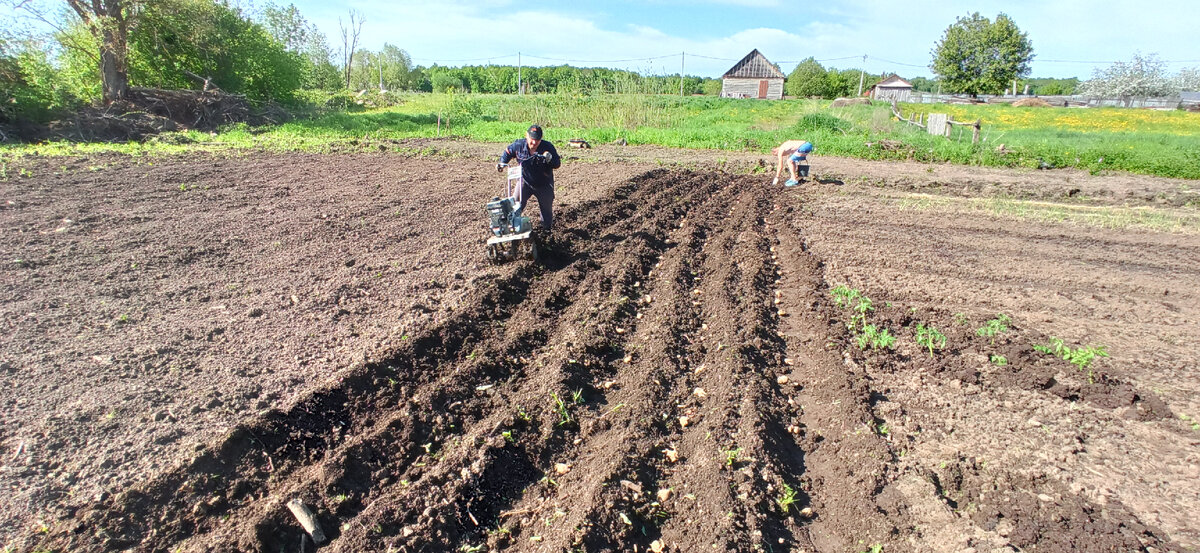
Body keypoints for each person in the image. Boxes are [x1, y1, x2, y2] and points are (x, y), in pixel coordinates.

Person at [497, 124, 561, 231]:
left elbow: (557, 164)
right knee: (515, 204)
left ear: (541, 139)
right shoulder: (519, 145)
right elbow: (508, 152)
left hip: (544, 183)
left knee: (546, 210)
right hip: (525, 181)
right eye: (532, 139)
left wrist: (550, 159)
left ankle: (546, 231)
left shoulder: (548, 147)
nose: (534, 142)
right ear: (526, 135)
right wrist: (502, 163)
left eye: (537, 140)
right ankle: (512, 227)